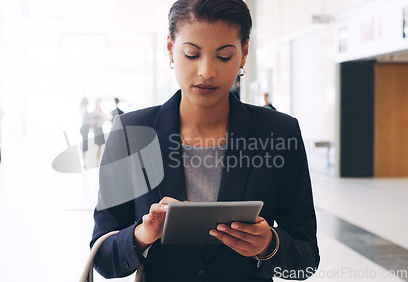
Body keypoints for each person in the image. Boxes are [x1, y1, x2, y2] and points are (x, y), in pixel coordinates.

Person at [91, 0, 319, 281]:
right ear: (170, 48)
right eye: (191, 54)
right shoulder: (130, 132)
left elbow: (306, 260)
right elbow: (104, 259)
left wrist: (269, 246)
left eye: (223, 56)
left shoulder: (278, 133)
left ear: (244, 52)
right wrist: (142, 234)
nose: (207, 72)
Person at [91, 99, 107, 165]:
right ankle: (96, 161)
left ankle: (98, 161)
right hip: (96, 130)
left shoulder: (101, 111)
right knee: (97, 145)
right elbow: (91, 121)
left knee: (100, 146)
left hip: (100, 129)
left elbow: (104, 119)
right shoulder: (94, 112)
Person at [79, 97, 91, 168]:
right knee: (85, 145)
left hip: (84, 129)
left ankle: (85, 162)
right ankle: (84, 162)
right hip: (84, 129)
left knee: (85, 145)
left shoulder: (83, 109)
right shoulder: (84, 109)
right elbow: (85, 120)